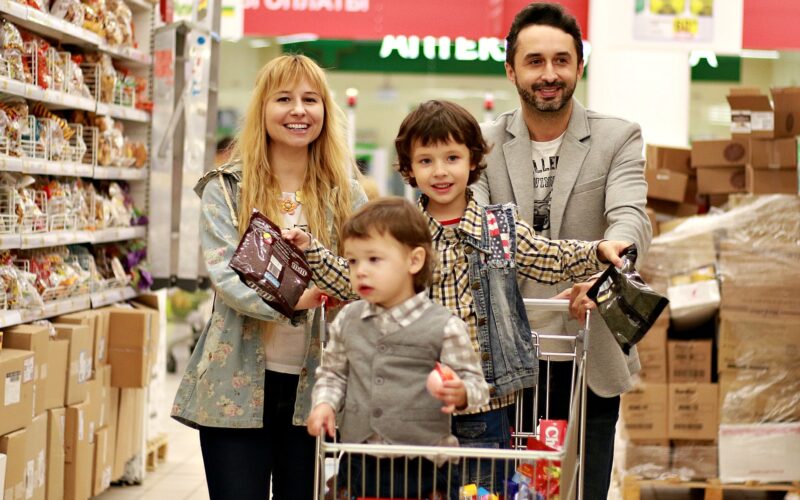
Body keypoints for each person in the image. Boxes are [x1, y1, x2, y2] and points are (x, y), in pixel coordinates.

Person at [286, 99, 631, 493]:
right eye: (426, 161)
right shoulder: (403, 233)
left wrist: (597, 250)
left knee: (479, 493)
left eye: (452, 157)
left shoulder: (497, 227)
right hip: (413, 409)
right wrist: (312, 252)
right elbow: (355, 280)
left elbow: (547, 257)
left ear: (473, 160)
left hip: (484, 404)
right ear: (409, 169)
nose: (440, 171)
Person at [470, 3, 652, 498]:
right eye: (534, 61)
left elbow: (630, 218)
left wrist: (607, 274)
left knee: (582, 488)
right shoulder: (480, 145)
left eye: (561, 60)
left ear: (579, 66)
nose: (549, 74)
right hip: (504, 357)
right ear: (511, 70)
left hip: (589, 347)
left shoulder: (618, 137)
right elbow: (477, 227)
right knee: (499, 491)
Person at [171, 54, 367, 500]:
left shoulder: (345, 193)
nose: (298, 110)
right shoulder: (226, 189)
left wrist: (345, 285)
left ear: (325, 111)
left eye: (310, 99)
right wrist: (296, 300)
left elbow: (366, 272)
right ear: (262, 108)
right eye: (284, 99)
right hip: (233, 383)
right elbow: (226, 275)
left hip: (317, 387)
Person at [306, 197, 490, 499]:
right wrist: (324, 403)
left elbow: (477, 386)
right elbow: (333, 374)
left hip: (426, 465)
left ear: (414, 261)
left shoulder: (445, 326)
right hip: (359, 458)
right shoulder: (348, 319)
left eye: (374, 259)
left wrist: (462, 393)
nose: (360, 271)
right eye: (353, 261)